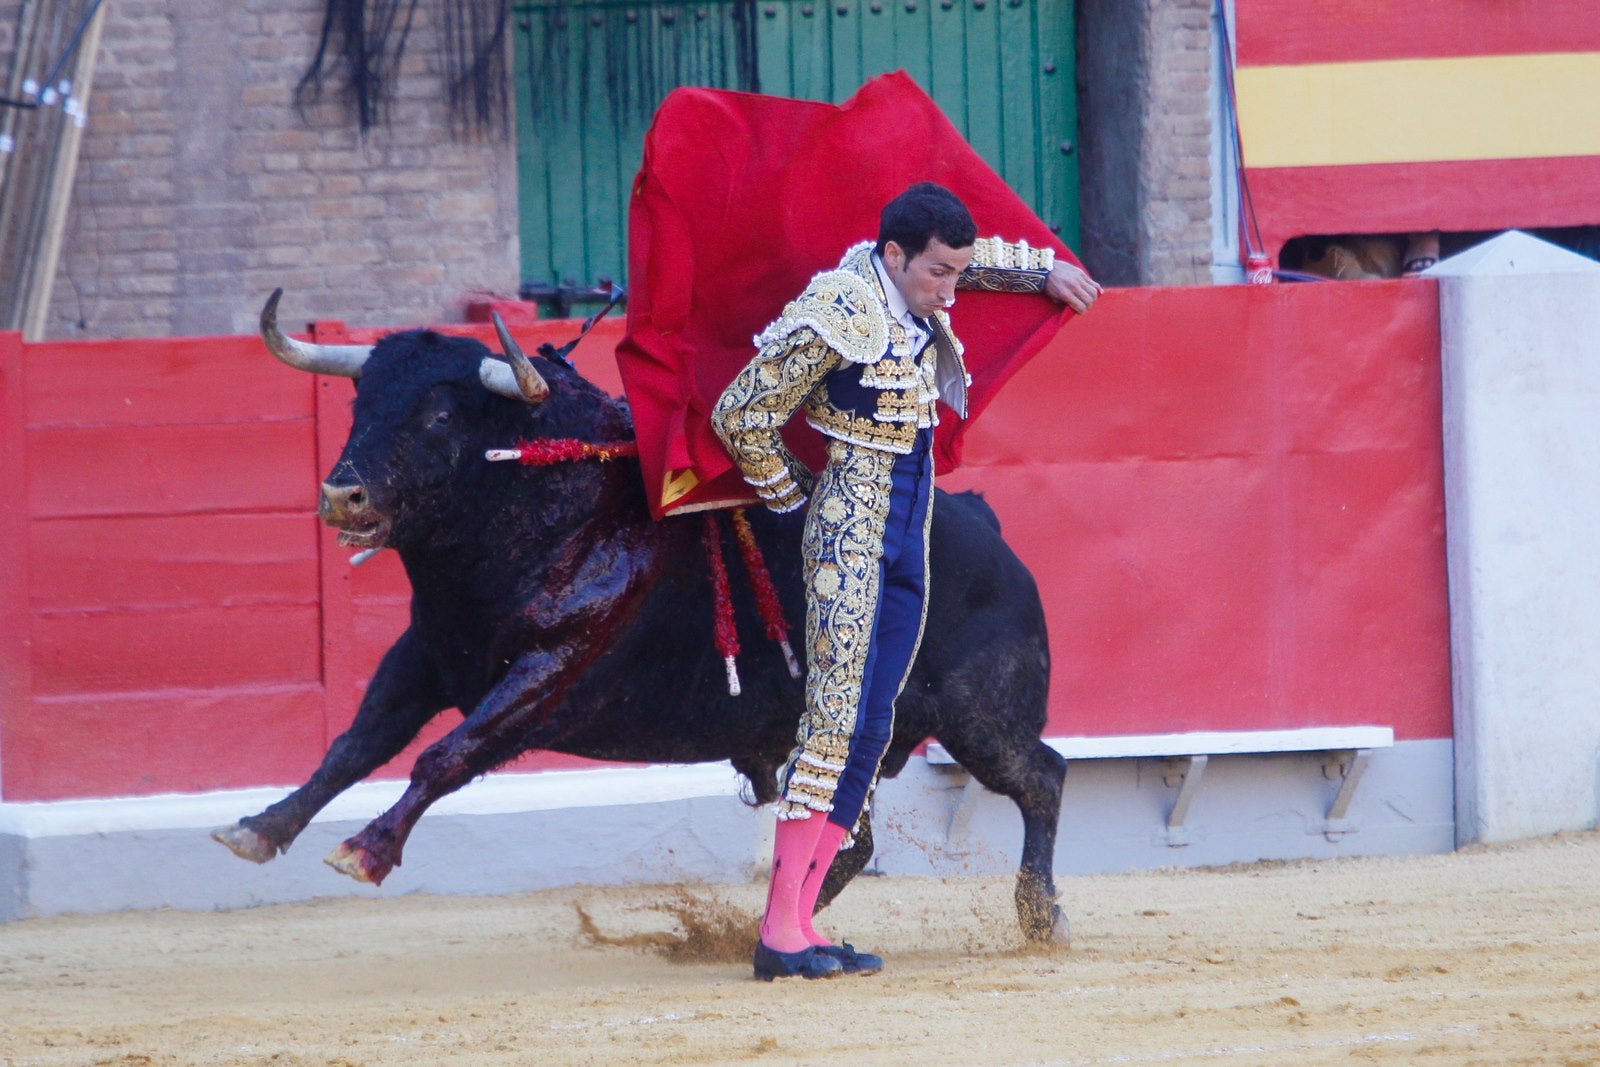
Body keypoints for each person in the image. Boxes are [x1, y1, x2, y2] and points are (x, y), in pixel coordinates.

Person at [712, 181, 1100, 981]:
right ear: (894, 255)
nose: (951, 290)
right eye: (939, 274)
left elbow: (973, 254)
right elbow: (741, 411)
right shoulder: (840, 306)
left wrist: (1043, 271)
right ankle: (781, 934)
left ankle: (795, 923)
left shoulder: (918, 275)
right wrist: (798, 501)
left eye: (956, 273)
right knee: (830, 727)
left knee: (870, 729)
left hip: (908, 536)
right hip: (851, 536)